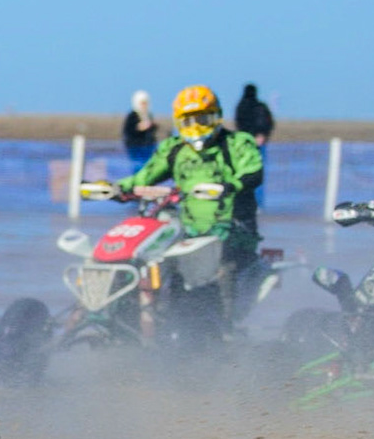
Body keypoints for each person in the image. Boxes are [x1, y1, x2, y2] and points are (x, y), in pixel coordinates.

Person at [112, 84, 265, 330]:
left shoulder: (237, 143)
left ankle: (224, 332)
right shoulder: (175, 148)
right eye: (188, 121)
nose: (196, 127)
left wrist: (229, 186)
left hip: (232, 230)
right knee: (153, 261)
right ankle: (144, 323)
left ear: (216, 117)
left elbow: (253, 172)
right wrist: (115, 188)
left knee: (222, 270)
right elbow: (143, 177)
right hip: (189, 231)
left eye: (203, 119)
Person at [121, 90, 159, 164]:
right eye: (142, 103)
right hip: (135, 147)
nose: (145, 105)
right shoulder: (132, 116)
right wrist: (139, 128)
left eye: (146, 103)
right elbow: (128, 131)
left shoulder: (148, 115)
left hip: (148, 146)